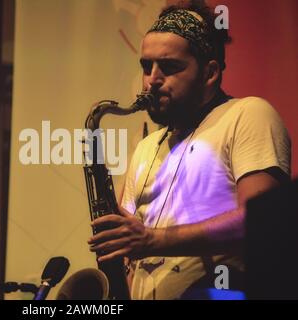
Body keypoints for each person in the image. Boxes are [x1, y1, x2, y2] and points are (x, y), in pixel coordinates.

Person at [88, 1, 291, 300]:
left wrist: (151, 240)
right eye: (146, 66)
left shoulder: (248, 114)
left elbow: (262, 221)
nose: (152, 80)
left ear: (210, 73)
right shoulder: (146, 147)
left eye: (169, 67)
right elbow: (129, 252)